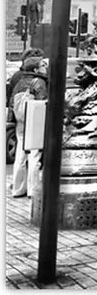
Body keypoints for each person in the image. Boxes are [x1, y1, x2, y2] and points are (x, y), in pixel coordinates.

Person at [10, 57, 46, 197]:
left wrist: (13, 120)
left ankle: (18, 188)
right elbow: (43, 103)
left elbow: (11, 102)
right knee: (35, 155)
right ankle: (33, 190)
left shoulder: (20, 81)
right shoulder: (39, 82)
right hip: (34, 122)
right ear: (36, 69)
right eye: (42, 65)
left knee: (20, 154)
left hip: (20, 122)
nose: (45, 67)